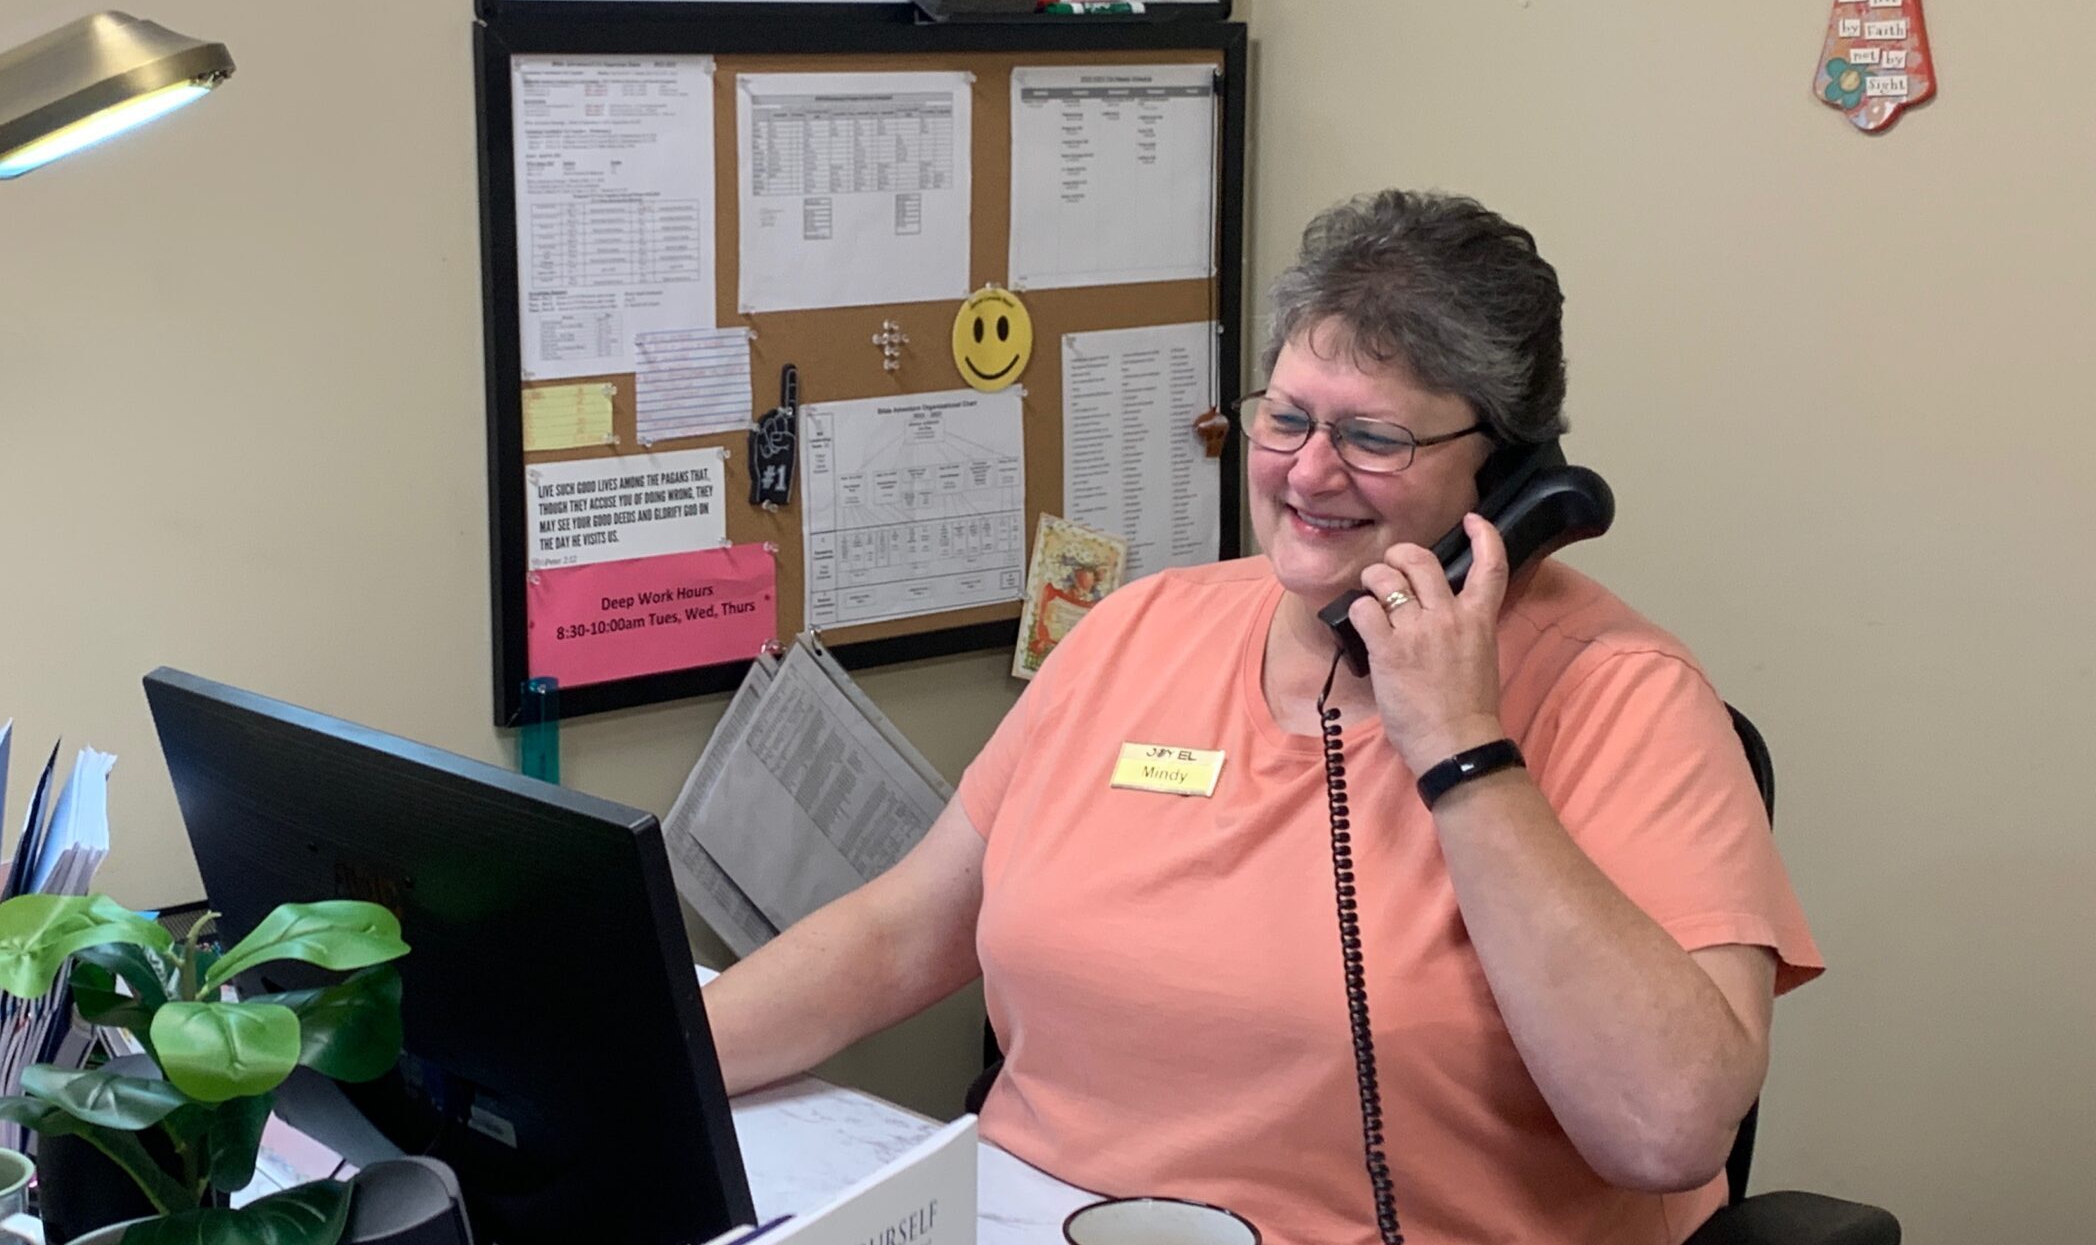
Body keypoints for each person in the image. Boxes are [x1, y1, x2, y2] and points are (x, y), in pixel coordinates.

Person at [704, 190, 1823, 1245]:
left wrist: (1461, 746)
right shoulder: (1144, 628)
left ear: (1510, 473)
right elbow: (901, 932)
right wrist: (643, 1059)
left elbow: (1666, 1129)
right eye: (1286, 417)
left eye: (1373, 438)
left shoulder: (1622, 695)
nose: (1307, 471)